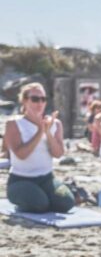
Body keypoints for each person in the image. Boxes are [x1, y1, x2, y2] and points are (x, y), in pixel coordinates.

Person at [3, 83, 75, 213]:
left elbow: (58, 154)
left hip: (46, 178)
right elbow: (21, 155)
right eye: (35, 99)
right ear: (24, 101)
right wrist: (40, 131)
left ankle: (42, 197)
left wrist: (48, 133)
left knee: (66, 203)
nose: (40, 103)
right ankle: (24, 200)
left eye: (43, 99)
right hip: (20, 179)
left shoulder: (55, 124)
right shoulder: (13, 124)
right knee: (40, 205)